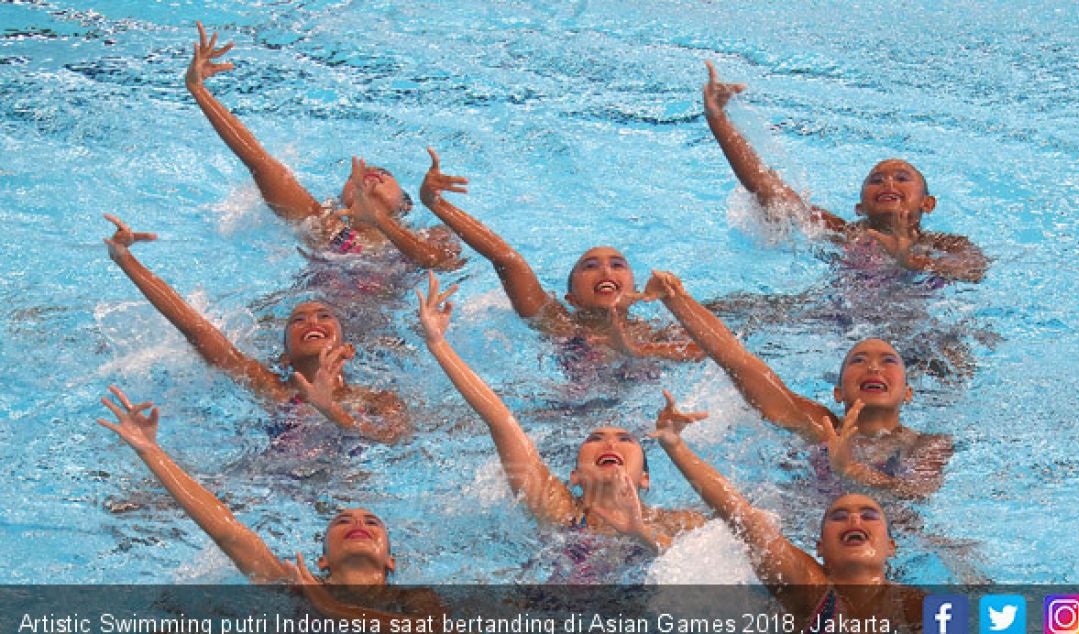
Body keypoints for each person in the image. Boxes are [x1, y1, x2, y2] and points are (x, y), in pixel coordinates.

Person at [416, 273, 705, 555]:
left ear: (645, 479)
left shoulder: (678, 523)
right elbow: (501, 421)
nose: (609, 444)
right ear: (575, 476)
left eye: (625, 439)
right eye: (595, 438)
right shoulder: (558, 510)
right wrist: (438, 345)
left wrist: (640, 534)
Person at [96, 386, 440, 620]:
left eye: (372, 522)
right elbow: (229, 532)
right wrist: (150, 451)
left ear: (390, 561)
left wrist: (329, 607)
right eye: (342, 521)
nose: (358, 524)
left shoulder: (412, 600)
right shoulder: (294, 590)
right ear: (322, 560)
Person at [632, 270, 951, 499]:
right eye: (858, 361)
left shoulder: (927, 444)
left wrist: (851, 471)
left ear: (908, 393)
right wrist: (678, 301)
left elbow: (917, 493)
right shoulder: (819, 425)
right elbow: (739, 361)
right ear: (838, 392)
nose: (873, 367)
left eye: (888, 361)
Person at [103, 214, 406, 442]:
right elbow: (196, 329)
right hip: (269, 483)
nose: (312, 321)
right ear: (285, 357)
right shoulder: (272, 389)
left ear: (347, 350)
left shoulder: (377, 400)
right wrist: (125, 260)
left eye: (324, 316)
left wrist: (332, 412)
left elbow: (395, 438)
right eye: (298, 320)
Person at [185, 21, 460, 269]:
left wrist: (380, 221)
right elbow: (259, 162)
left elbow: (439, 263)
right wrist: (200, 92)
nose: (368, 174)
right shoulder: (325, 227)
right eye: (355, 178)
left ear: (406, 206)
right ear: (341, 201)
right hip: (315, 318)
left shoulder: (431, 235)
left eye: (383, 173)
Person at [651, 392, 922, 631]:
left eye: (869, 515)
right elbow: (743, 517)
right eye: (838, 517)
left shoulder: (921, 604)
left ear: (891, 546)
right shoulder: (809, 590)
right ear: (819, 548)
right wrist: (675, 445)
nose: (853, 519)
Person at [702, 61, 987, 283]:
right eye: (876, 180)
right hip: (839, 317)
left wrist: (908, 260)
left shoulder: (945, 245)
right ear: (860, 208)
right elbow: (766, 188)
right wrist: (718, 119)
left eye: (902, 178)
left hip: (913, 323)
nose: (888, 181)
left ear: (928, 203)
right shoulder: (842, 233)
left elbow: (974, 271)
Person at [418, 148, 703, 362]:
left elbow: (716, 354)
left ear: (638, 292)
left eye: (617, 265)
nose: (606, 271)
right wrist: (436, 204)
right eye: (590, 266)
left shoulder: (655, 334)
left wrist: (637, 350)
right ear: (571, 299)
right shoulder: (558, 323)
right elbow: (506, 259)